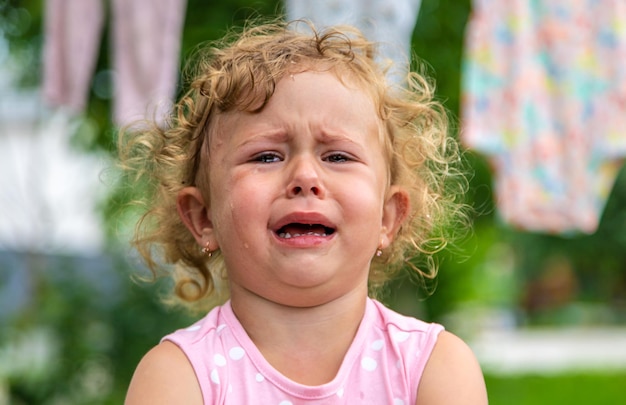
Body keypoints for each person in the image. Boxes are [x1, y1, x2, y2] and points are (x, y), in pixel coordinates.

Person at [121, 19, 487, 404]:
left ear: (388, 217)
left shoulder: (432, 368)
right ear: (203, 217)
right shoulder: (179, 376)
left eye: (338, 156)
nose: (305, 177)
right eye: (266, 156)